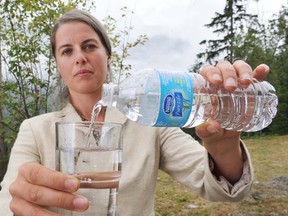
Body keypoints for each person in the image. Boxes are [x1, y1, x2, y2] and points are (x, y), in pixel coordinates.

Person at [0, 9, 270, 216]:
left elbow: (216, 185)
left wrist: (223, 149)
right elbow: (7, 201)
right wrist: (18, 203)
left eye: (90, 46)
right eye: (67, 51)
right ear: (58, 64)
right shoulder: (36, 130)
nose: (80, 57)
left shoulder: (151, 122)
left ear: (108, 55)